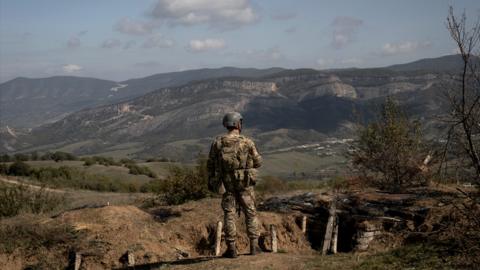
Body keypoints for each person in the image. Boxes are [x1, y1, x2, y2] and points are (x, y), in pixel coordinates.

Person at [207, 112, 262, 258]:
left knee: (229, 214)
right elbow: (258, 162)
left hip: (227, 185)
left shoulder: (218, 143)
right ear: (238, 124)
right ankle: (254, 247)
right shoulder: (247, 142)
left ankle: (231, 248)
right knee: (250, 213)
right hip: (245, 185)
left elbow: (210, 164)